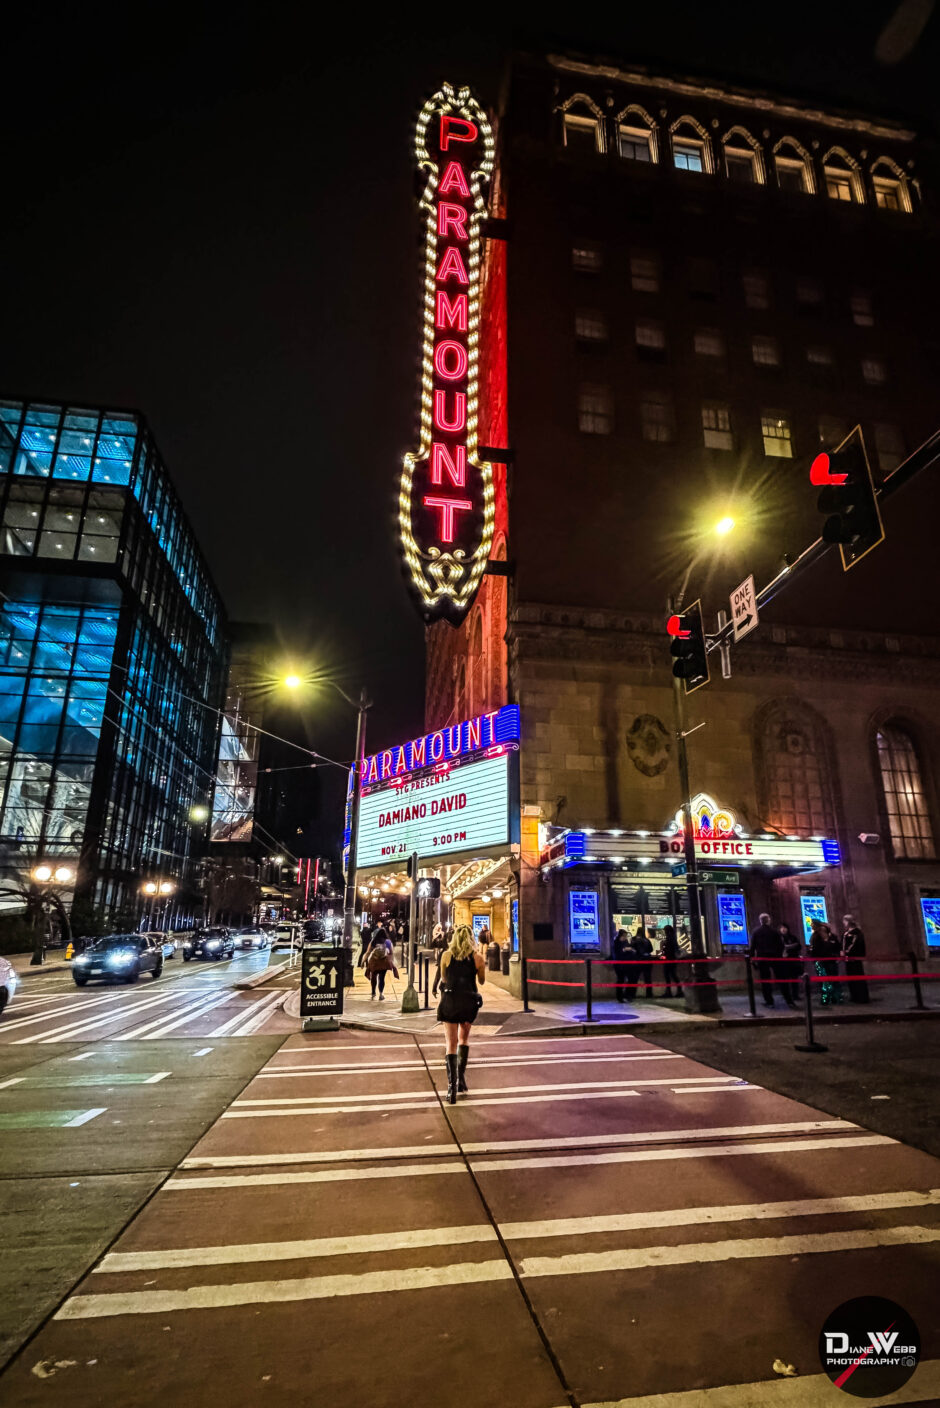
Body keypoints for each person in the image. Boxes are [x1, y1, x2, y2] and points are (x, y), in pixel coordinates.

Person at [436, 924, 485, 1102]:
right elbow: (482, 981)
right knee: (463, 1040)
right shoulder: (477, 957)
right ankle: (461, 1079)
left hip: (450, 1002)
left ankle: (451, 1088)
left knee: (450, 1044)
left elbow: (444, 978)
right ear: (471, 938)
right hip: (468, 1002)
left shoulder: (446, 956)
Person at [749, 912, 793, 1008]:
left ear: (760, 921)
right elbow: (781, 946)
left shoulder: (756, 932)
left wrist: (752, 959)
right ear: (769, 920)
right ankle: (789, 999)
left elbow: (753, 947)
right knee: (781, 979)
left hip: (762, 958)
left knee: (765, 980)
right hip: (775, 957)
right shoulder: (775, 932)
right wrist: (779, 955)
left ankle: (769, 1001)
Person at [810, 919, 841, 1005]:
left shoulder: (832, 937)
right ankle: (826, 998)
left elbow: (837, 947)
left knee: (833, 980)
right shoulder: (816, 937)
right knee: (824, 981)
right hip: (821, 962)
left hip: (831, 961)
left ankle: (834, 997)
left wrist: (836, 955)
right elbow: (814, 949)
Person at [841, 914, 869, 1003]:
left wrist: (846, 952)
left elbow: (854, 945)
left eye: (845, 921)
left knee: (857, 977)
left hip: (854, 959)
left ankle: (861, 996)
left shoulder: (856, 933)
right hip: (848, 959)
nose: (844, 923)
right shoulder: (847, 933)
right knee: (851, 978)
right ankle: (854, 995)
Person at [365, 925, 396, 1000]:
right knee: (382, 978)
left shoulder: (373, 941)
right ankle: (381, 994)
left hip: (374, 962)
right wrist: (391, 962)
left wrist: (363, 961)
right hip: (384, 962)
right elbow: (391, 953)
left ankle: (373, 993)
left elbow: (368, 952)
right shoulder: (388, 942)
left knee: (373, 977)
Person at [779, 922, 803, 1006]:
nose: (783, 929)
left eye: (784, 928)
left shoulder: (793, 937)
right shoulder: (779, 938)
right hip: (784, 962)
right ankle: (786, 995)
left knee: (794, 978)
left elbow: (799, 946)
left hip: (793, 961)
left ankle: (795, 995)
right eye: (782, 928)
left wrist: (789, 947)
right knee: (785, 979)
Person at [659, 924, 683, 998]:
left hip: (669, 959)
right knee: (673, 975)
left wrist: (663, 947)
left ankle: (670, 992)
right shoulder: (672, 938)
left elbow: (668, 950)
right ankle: (678, 991)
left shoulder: (669, 939)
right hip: (672, 959)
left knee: (668, 976)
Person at [611, 929, 635, 1003]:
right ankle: (620, 997)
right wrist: (625, 949)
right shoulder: (616, 942)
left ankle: (627, 995)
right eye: (624, 936)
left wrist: (630, 950)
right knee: (620, 980)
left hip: (626, 964)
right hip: (619, 964)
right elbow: (617, 953)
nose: (625, 937)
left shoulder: (625, 942)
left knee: (627, 980)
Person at [632, 927, 654, 997]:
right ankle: (649, 994)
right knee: (648, 978)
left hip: (638, 960)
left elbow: (632, 949)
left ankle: (632, 993)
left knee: (635, 978)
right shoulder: (647, 940)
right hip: (647, 960)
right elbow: (651, 949)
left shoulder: (634, 939)